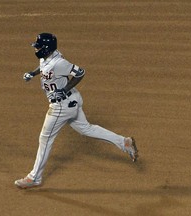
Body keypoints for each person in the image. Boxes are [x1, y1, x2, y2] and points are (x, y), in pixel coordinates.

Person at [14, 33, 138, 189]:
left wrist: (64, 89)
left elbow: (80, 73)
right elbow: (44, 67)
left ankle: (34, 177)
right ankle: (124, 142)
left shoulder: (59, 62)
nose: (36, 48)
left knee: (45, 139)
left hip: (61, 106)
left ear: (46, 48)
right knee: (86, 128)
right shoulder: (48, 57)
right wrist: (33, 73)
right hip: (73, 101)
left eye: (38, 46)